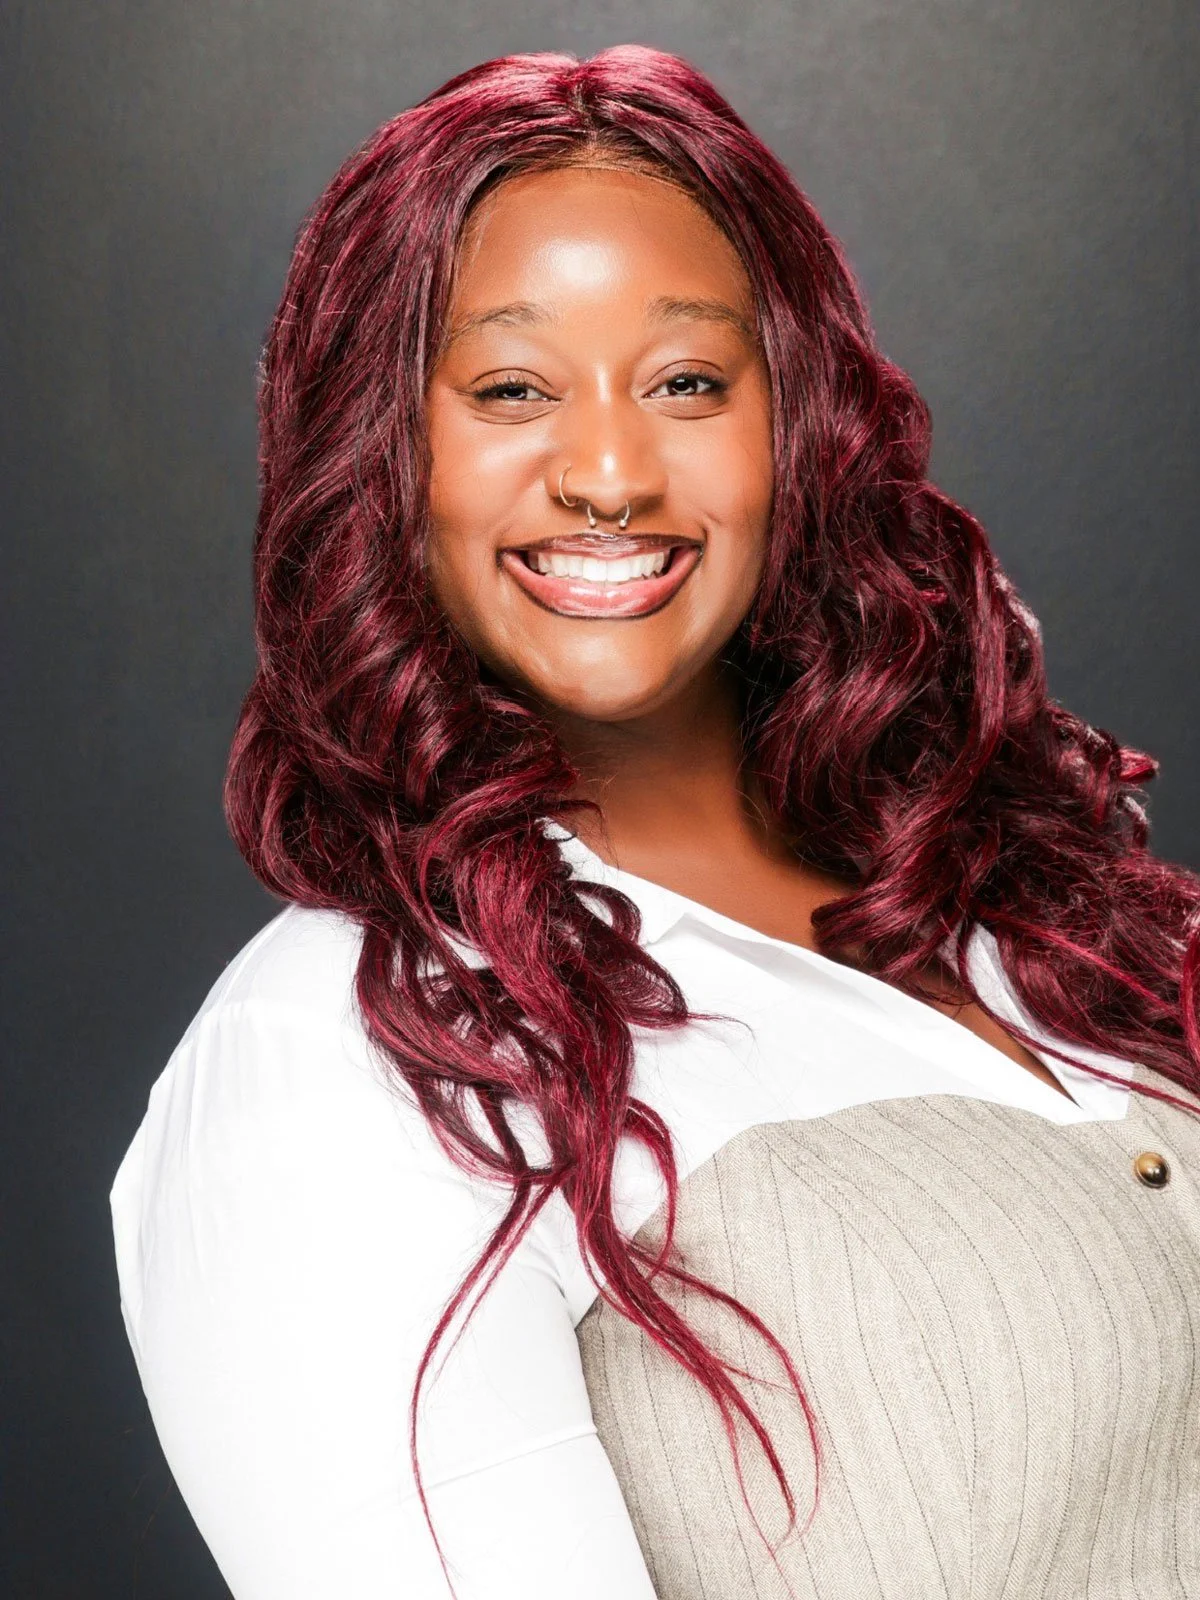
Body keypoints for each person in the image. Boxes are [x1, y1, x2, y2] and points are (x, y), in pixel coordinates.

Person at [110, 44, 1200, 1600]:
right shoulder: (349, 1056)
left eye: (688, 382)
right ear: (384, 454)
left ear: (796, 424)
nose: (613, 471)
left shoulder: (1008, 896)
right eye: (509, 390)